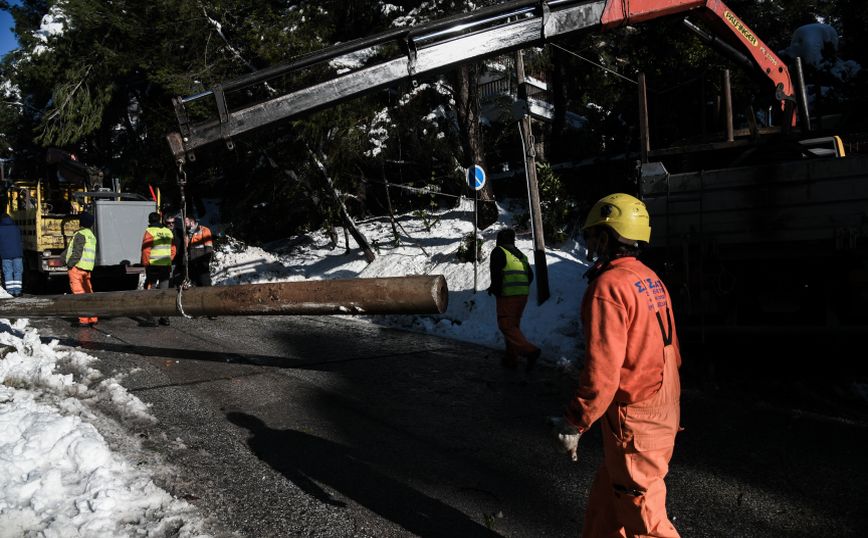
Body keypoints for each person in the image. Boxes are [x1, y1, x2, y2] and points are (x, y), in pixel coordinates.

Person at [551, 193, 682, 537]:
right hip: (661, 406)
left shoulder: (608, 286)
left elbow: (602, 373)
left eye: (594, 234)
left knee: (645, 519)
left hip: (635, 421)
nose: (590, 242)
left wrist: (575, 422)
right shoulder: (651, 279)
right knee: (606, 508)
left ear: (607, 237)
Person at [487, 227, 540, 371]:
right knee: (513, 326)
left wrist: (495, 289)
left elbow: (496, 274)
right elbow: (530, 276)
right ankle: (511, 359)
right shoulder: (521, 255)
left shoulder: (499, 252)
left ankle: (530, 351)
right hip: (522, 296)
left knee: (506, 326)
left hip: (507, 296)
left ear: (499, 240)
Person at [141, 212, 176, 326]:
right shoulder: (167, 231)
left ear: (149, 221)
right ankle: (165, 318)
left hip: (153, 266)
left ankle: (152, 318)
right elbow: (173, 249)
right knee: (164, 292)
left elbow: (146, 250)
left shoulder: (150, 231)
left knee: (151, 291)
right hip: (165, 266)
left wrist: (146, 264)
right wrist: (168, 259)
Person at [65, 212, 98, 326]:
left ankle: (83, 320)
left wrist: (70, 264)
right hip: (87, 268)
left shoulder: (80, 234)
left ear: (81, 222)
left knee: (79, 294)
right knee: (88, 293)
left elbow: (77, 252)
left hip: (77, 268)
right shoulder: (91, 235)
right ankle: (93, 318)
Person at [184, 215, 213, 287]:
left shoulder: (204, 230)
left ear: (192, 222)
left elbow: (208, 247)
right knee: (195, 285)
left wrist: (205, 262)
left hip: (202, 263)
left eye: (186, 222)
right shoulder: (186, 233)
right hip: (192, 264)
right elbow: (187, 249)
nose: (184, 224)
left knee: (205, 284)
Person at [0, 212, 24, 297]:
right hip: (17, 254)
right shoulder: (16, 228)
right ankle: (18, 291)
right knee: (18, 272)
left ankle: (10, 291)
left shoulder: (0, 229)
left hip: (5, 254)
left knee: (8, 272)